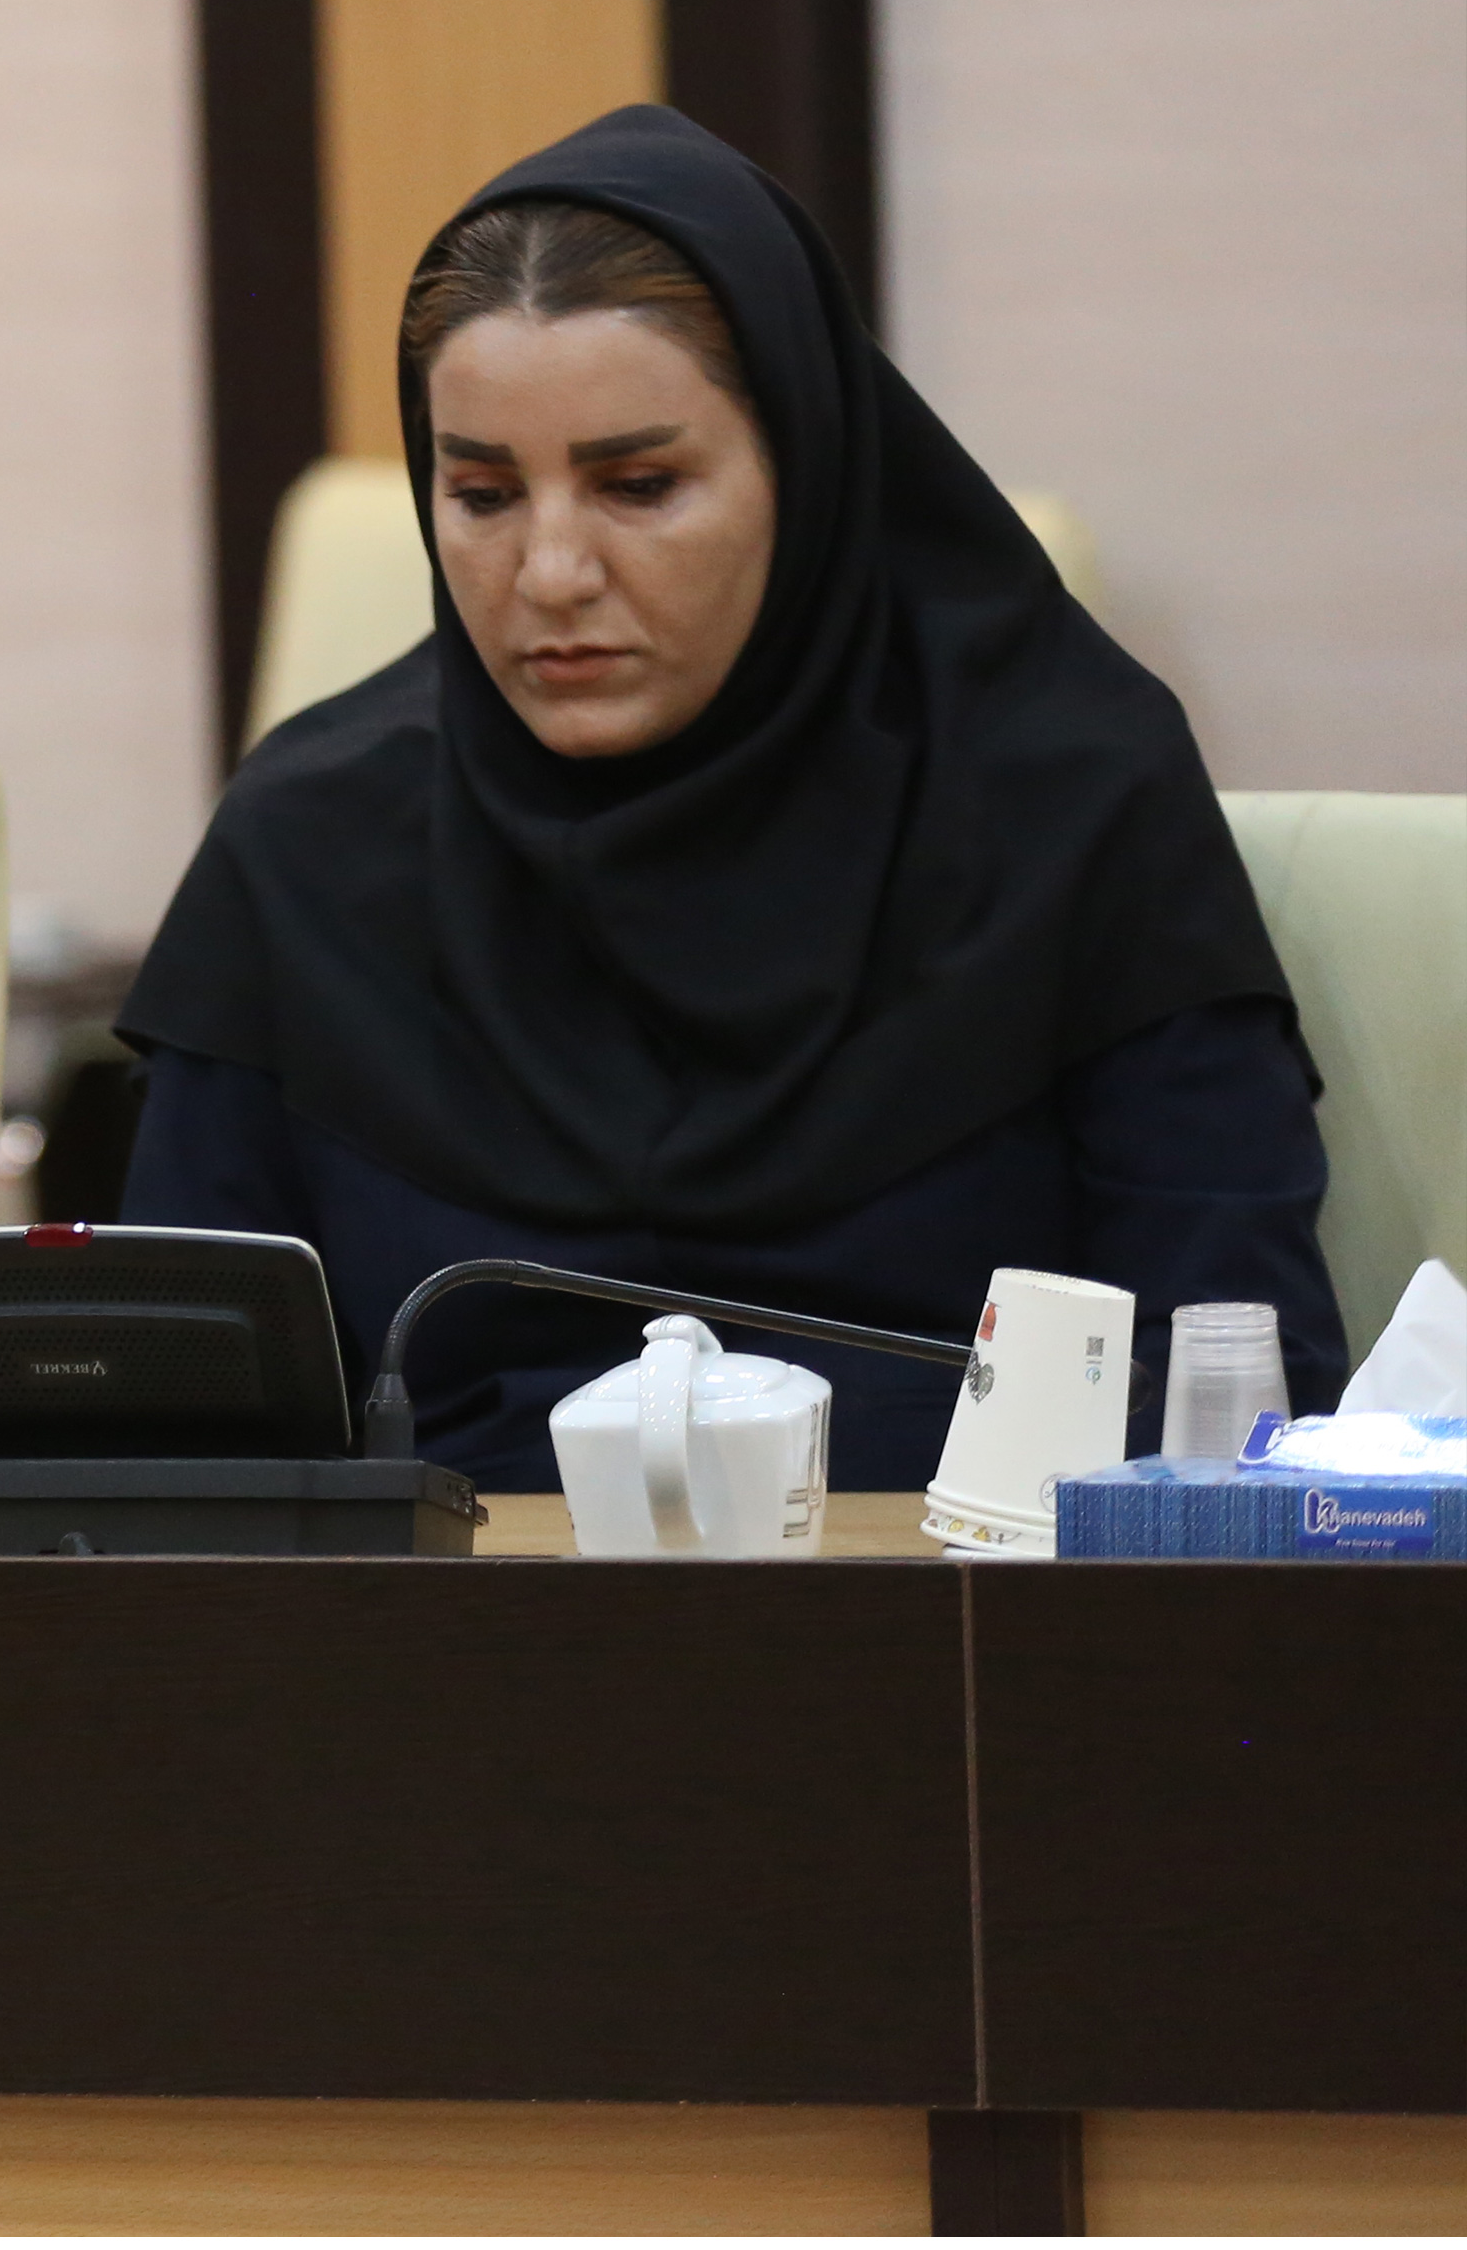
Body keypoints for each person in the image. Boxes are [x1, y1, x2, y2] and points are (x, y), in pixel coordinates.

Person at [118, 108, 1341, 1492]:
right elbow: (174, 1438)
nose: (552, 573)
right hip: (440, 1615)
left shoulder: (1071, 799)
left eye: (640, 485)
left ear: (803, 466)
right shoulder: (307, 842)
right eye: (483, 494)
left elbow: (1240, 1399)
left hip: (963, 1601)